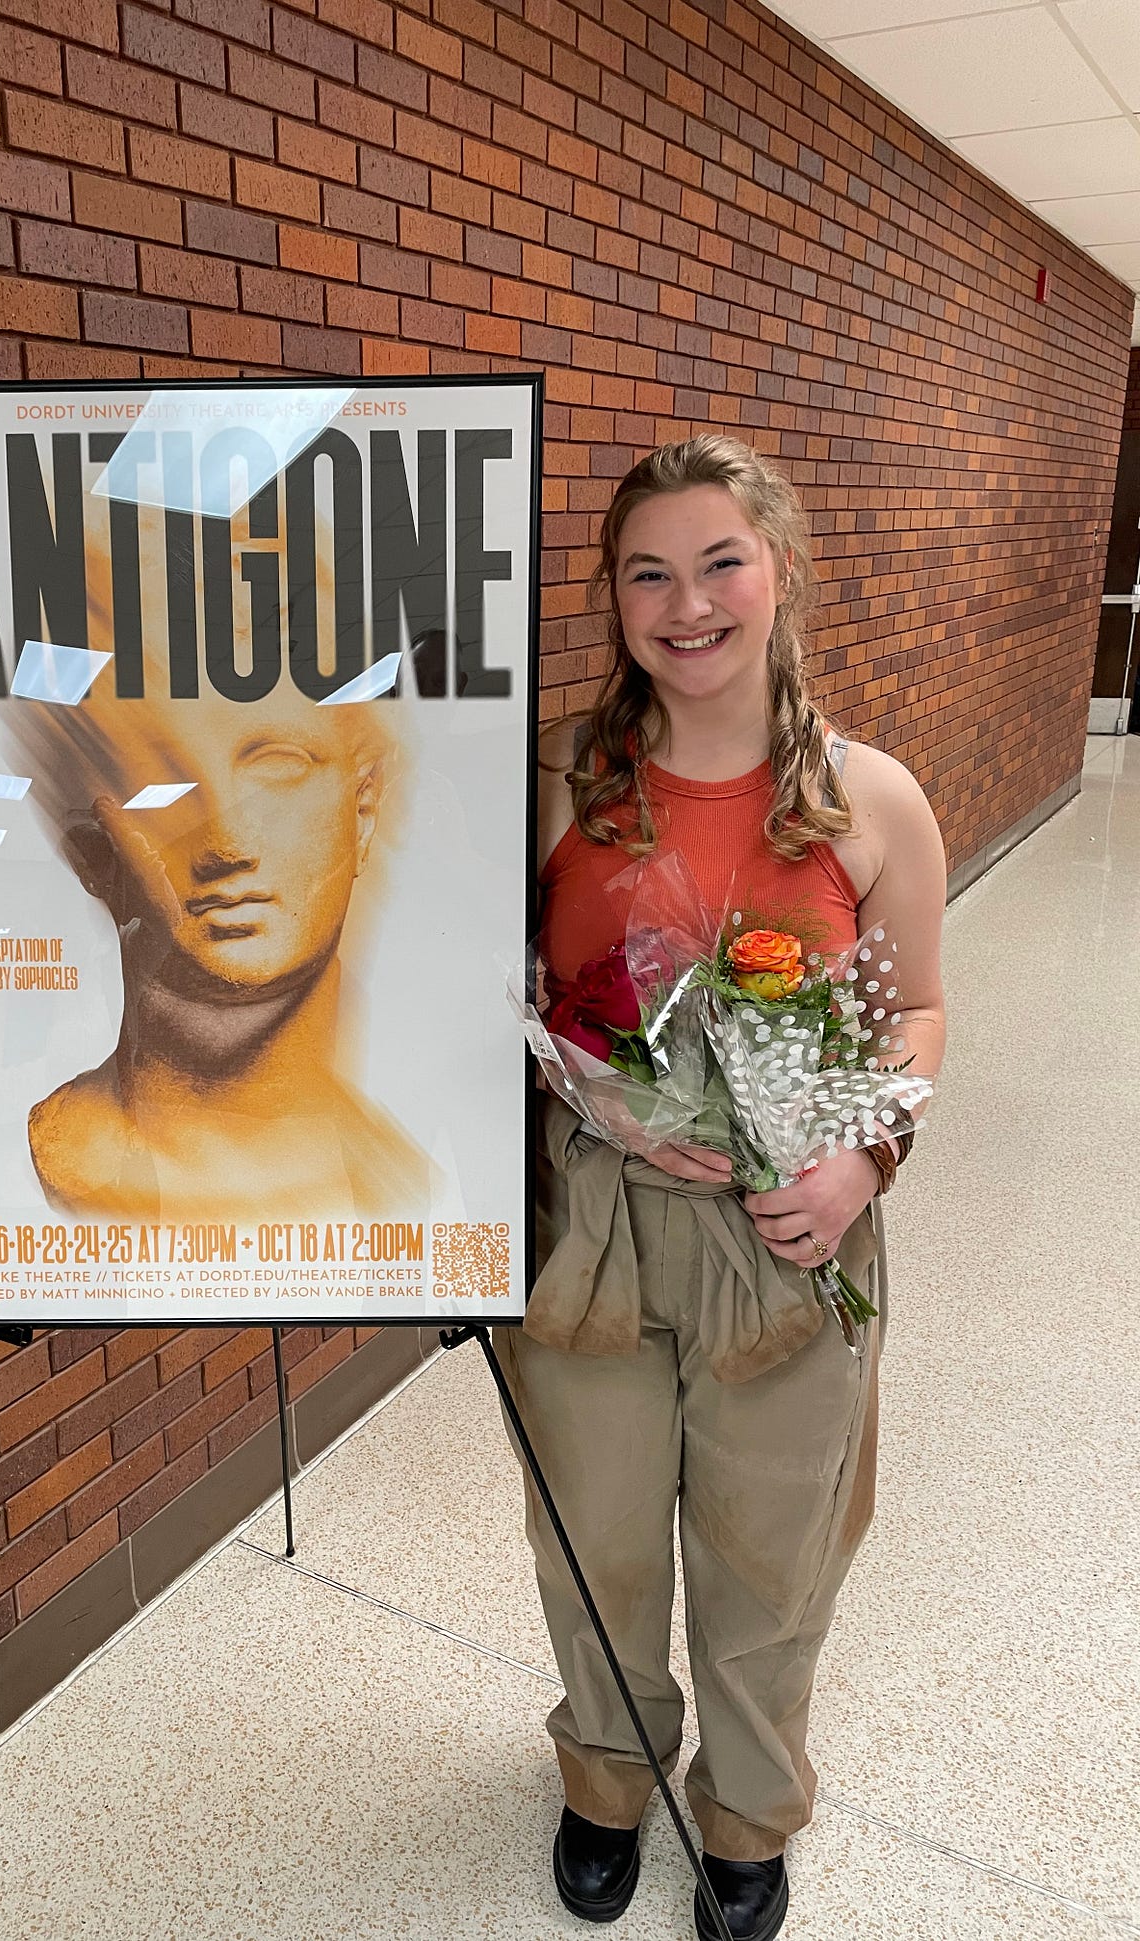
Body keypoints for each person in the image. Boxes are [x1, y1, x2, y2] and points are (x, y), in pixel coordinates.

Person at [500, 436, 947, 1938]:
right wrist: (591, 1095)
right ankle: (608, 1778)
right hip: (595, 1240)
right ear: (614, 598)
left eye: (718, 563)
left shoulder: (874, 798)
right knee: (599, 1532)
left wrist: (865, 1157)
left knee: (772, 1553)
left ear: (780, 573)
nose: (685, 603)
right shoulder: (557, 780)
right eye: (648, 573)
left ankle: (747, 1812)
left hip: (792, 1244)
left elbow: (921, 1014)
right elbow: (480, 985)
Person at [12, 669, 434, 1227]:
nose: (226, 844)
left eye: (278, 764)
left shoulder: (400, 1179)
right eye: (165, 782)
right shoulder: (74, 1154)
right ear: (97, 848)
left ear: (363, 813)